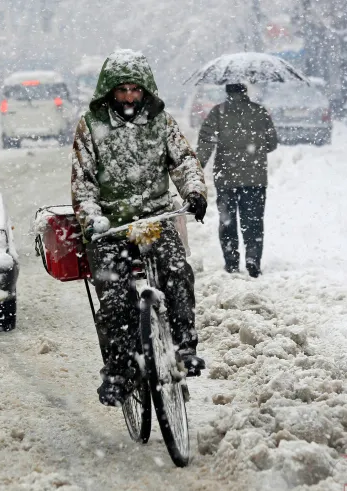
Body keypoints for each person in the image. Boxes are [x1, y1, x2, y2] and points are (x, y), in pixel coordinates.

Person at [71, 49, 208, 407]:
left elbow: (184, 160)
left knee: (178, 272)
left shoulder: (162, 123)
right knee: (115, 300)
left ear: (145, 90)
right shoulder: (90, 126)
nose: (129, 96)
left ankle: (184, 344)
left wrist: (194, 191)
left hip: (156, 220)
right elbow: (82, 184)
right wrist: (93, 220)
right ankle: (119, 371)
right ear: (109, 92)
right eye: (122, 90)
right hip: (110, 229)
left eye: (135, 89)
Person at [195, 83, 277, 278]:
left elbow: (206, 142)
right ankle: (253, 259)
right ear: (244, 92)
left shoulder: (218, 112)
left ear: (228, 92)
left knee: (228, 222)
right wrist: (254, 148)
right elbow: (272, 143)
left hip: (226, 178)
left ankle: (232, 262)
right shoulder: (259, 111)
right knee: (253, 221)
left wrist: (197, 167)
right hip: (254, 179)